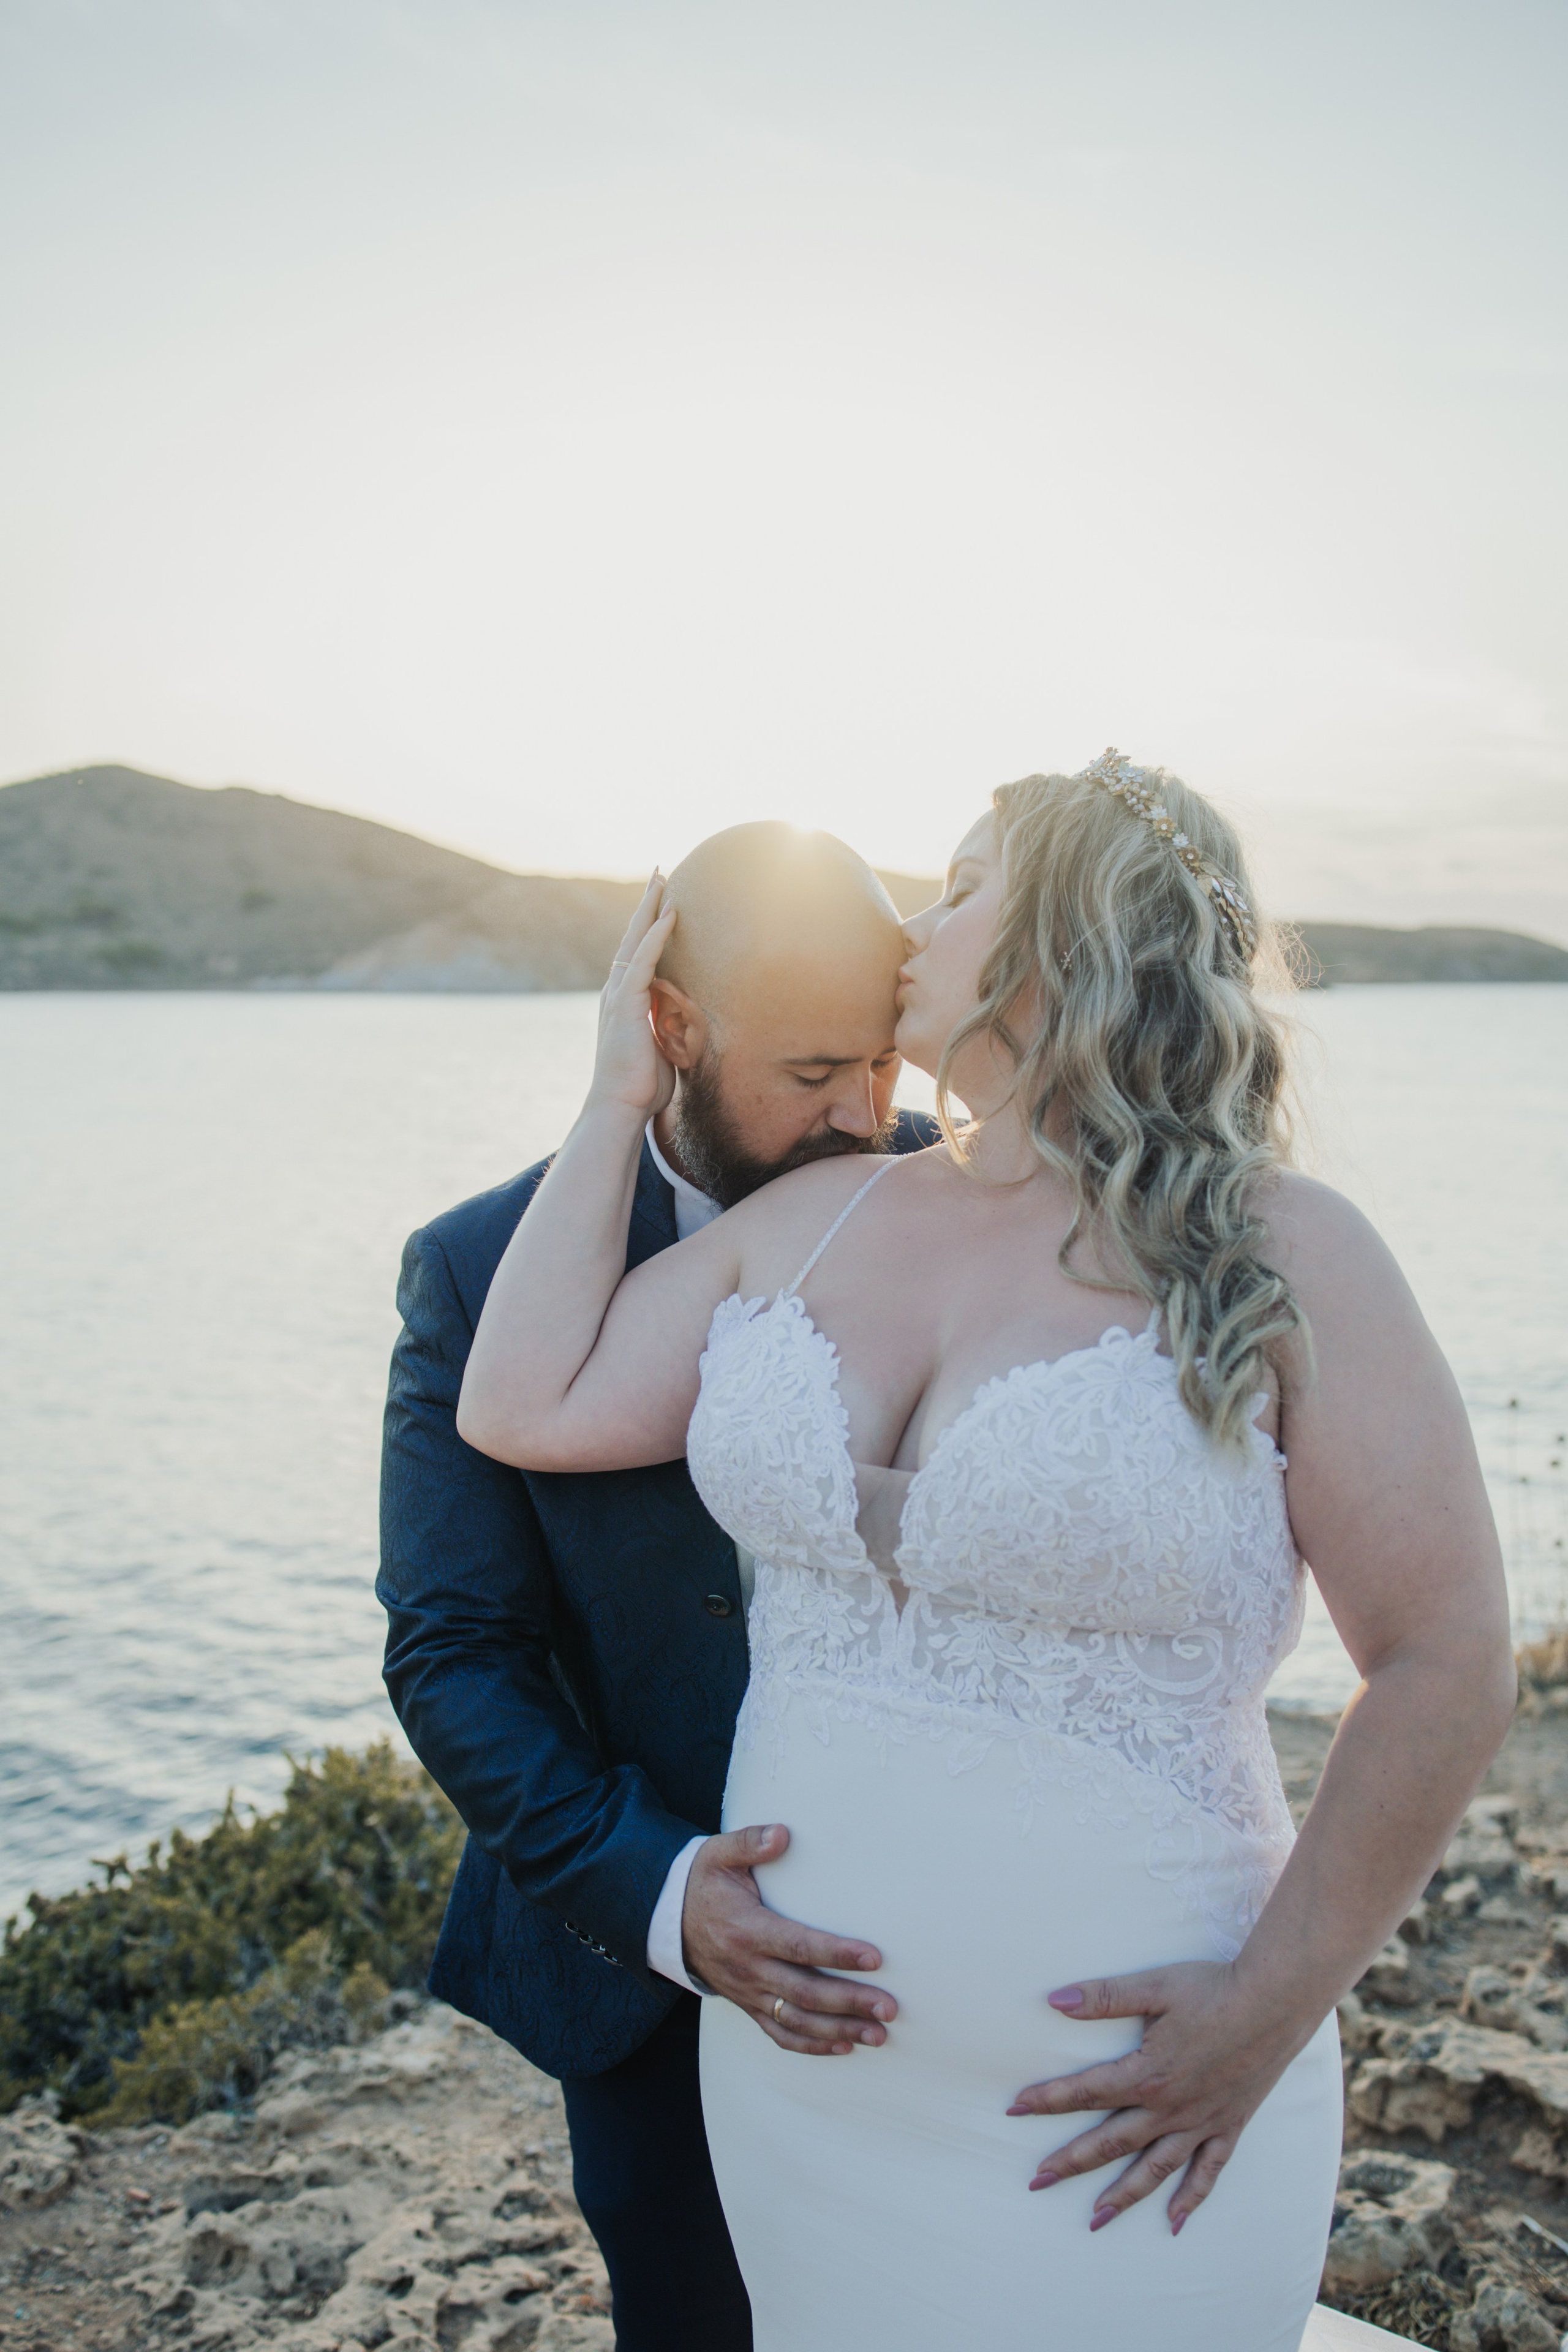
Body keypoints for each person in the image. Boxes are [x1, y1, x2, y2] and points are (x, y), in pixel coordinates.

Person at [455, 752, 1515, 2352]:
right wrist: (619, 1092)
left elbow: (1444, 1658)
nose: (908, 927)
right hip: (809, 2105)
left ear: (1063, 941)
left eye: (957, 888)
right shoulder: (819, 1217)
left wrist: (1271, 2007)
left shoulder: (1283, 1251)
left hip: (1136, 2117)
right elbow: (527, 1394)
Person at [377, 821, 937, 2352]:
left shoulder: (951, 1201)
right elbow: (454, 1654)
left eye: (882, 1068)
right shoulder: (477, 1269)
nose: (864, 1116)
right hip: (648, 1971)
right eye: (812, 1072)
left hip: (943, 1923)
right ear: (671, 1029)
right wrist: (671, 1899)